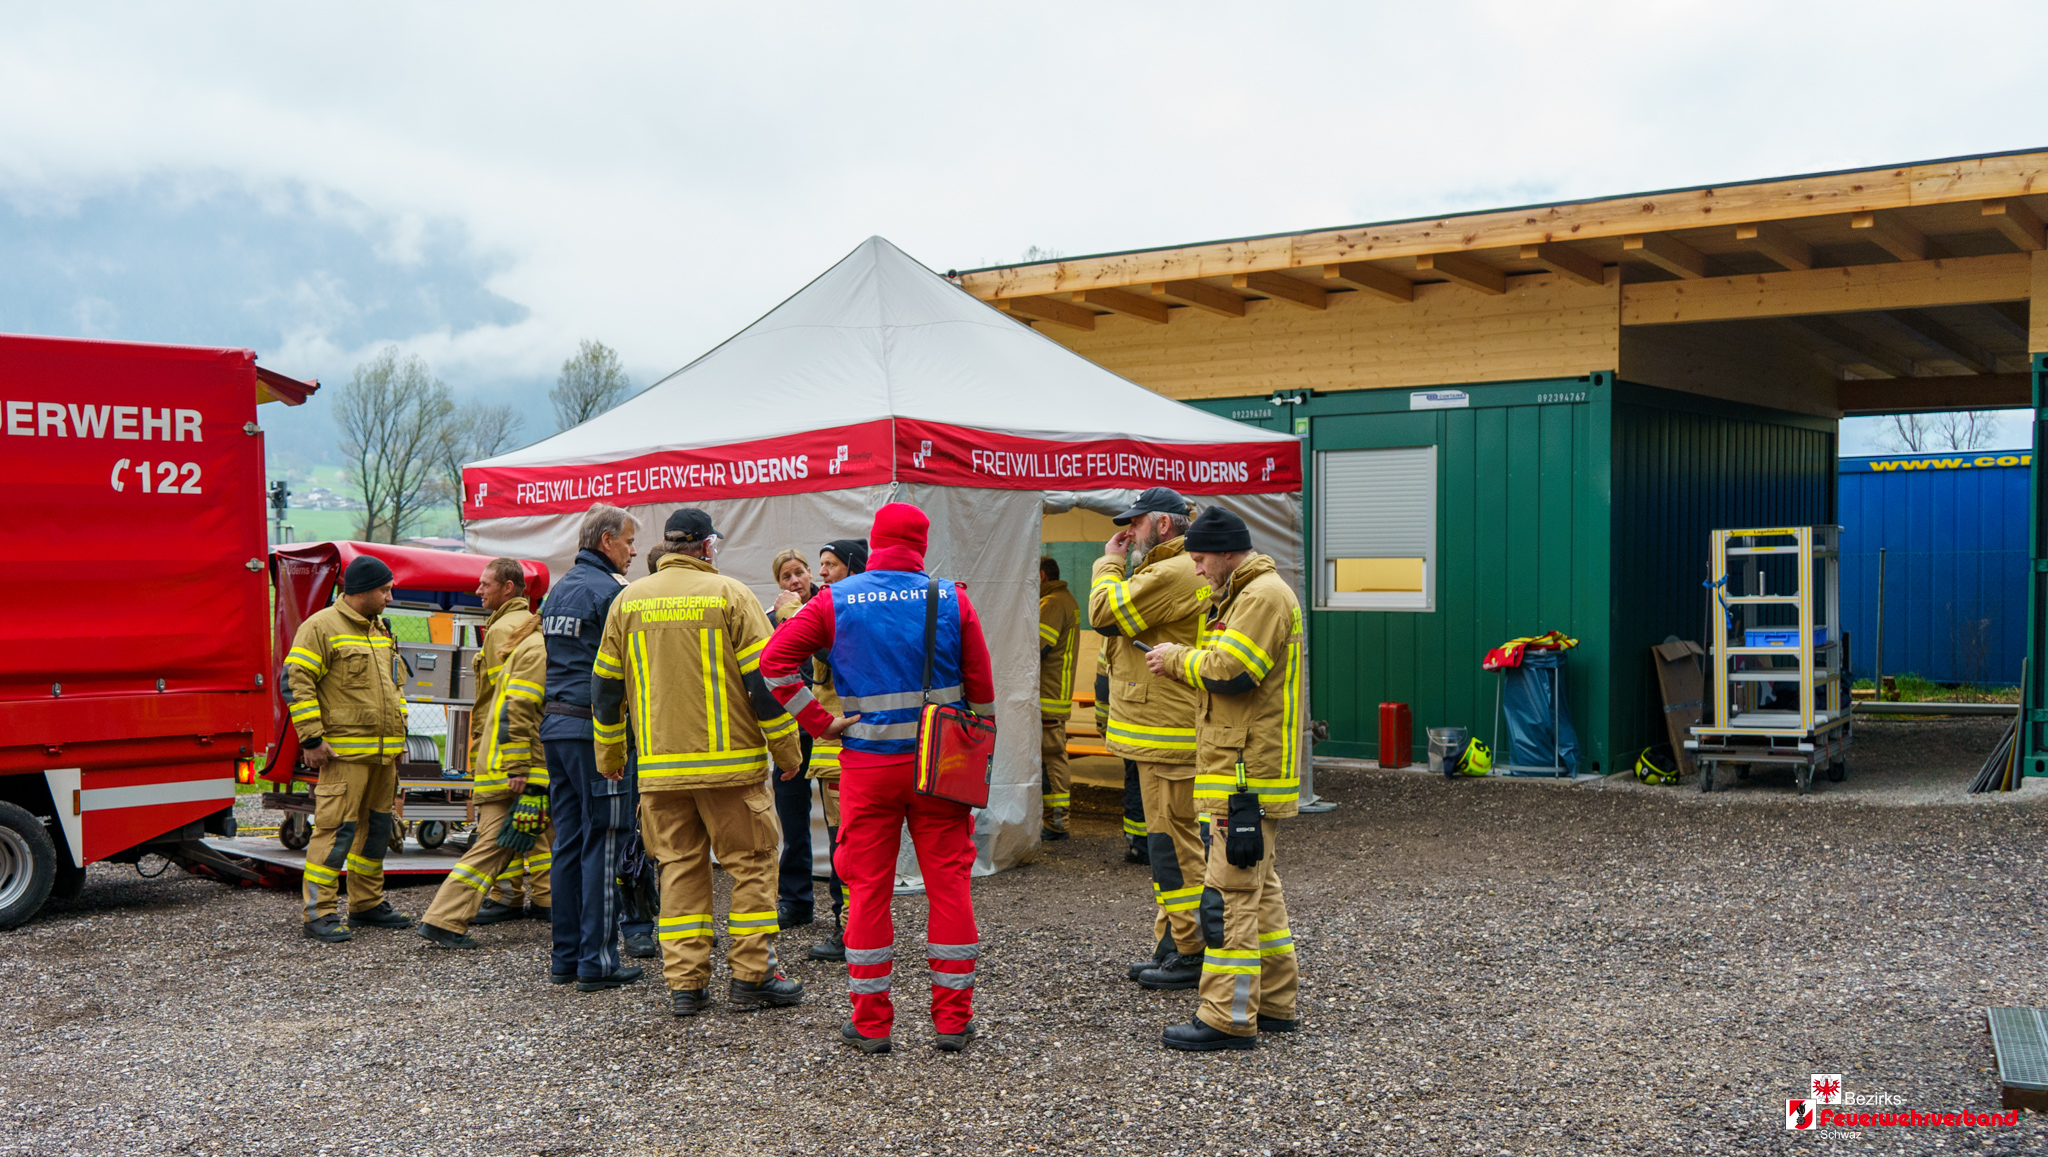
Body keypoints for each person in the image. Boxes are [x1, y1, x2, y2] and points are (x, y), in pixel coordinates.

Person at [762, 504, 993, 1055]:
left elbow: (774, 664)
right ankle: (952, 1021)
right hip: (940, 768)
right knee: (949, 886)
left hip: (867, 769)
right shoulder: (950, 597)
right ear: (921, 544)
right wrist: (977, 750)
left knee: (867, 890)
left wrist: (819, 721)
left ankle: (871, 1024)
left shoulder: (835, 599)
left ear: (876, 542)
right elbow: (982, 688)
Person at [593, 508, 808, 1018]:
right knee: (752, 866)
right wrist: (787, 750)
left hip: (661, 774)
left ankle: (685, 986)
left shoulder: (627, 601)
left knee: (679, 870)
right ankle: (752, 976)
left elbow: (604, 690)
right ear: (707, 546)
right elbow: (765, 685)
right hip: (731, 772)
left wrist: (610, 755)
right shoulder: (731, 595)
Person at [1140, 506, 1302, 1050]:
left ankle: (1227, 1018)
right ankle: (1274, 1003)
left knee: (1228, 900)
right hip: (1246, 775)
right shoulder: (1247, 594)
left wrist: (1176, 658)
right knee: (1261, 894)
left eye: (1202, 559)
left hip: (1242, 778)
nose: (1198, 569)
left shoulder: (1260, 597)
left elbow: (1232, 671)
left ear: (1228, 552)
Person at [1089, 486, 1210, 992]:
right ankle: (1172, 942)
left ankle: (1192, 949)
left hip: (1168, 736)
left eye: (1135, 523)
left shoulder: (1172, 572)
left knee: (1174, 846)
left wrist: (1107, 564)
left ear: (1163, 524)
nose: (1127, 532)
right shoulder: (1169, 567)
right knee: (1167, 843)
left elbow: (1104, 614)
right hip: (1159, 732)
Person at [539, 504, 650, 991]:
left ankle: (566, 957)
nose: (633, 552)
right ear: (607, 541)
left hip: (556, 729)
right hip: (594, 732)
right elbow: (626, 670)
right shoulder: (611, 593)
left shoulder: (559, 590)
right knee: (605, 842)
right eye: (628, 541)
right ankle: (598, 962)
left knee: (567, 843)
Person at [417, 570, 553, 951]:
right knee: (493, 846)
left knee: (505, 844)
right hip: (511, 770)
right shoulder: (540, 650)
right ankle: (442, 920)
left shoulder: (526, 642)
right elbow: (518, 711)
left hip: (501, 765)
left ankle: (447, 918)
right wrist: (521, 769)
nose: (477, 590)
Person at [283, 554, 414, 942]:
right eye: (385, 590)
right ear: (363, 591)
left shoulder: (380, 630)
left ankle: (366, 904)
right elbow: (295, 684)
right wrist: (311, 739)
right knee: (335, 831)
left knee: (376, 831)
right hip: (343, 756)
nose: (390, 597)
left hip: (382, 756)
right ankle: (319, 913)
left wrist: (399, 737)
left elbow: (394, 689)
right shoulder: (320, 627)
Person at [461, 559, 550, 926]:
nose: (478, 591)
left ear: (508, 588)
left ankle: (506, 896)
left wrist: (483, 745)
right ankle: (546, 897)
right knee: (535, 825)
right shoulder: (523, 624)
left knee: (504, 824)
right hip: (528, 743)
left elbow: (499, 701)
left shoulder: (501, 630)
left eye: (485, 585)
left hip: (504, 746)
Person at [799, 538, 865, 962]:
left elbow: (841, 657)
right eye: (820, 564)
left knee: (848, 846)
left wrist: (796, 621)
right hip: (840, 755)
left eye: (831, 564)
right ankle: (854, 926)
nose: (821, 572)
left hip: (842, 754)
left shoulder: (849, 611)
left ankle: (849, 932)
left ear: (853, 567)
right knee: (850, 845)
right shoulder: (840, 606)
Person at [766, 548, 820, 930]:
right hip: (791, 734)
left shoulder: (827, 608)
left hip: (830, 731)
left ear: (811, 573)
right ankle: (796, 901)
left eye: (799, 572)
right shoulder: (769, 619)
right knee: (792, 823)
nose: (794, 580)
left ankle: (843, 906)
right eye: (786, 576)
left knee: (839, 823)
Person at [1094, 644, 1149, 864]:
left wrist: (1102, 722)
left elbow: (1103, 684)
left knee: (1136, 783)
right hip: (1171, 727)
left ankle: (1139, 845)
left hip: (1130, 723)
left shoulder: (1113, 636)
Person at [1037, 557, 1080, 840]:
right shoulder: (1065, 599)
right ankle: (1054, 820)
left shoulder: (1052, 604)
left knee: (1050, 760)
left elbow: (1035, 648)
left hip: (1047, 697)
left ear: (1041, 576)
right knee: (1051, 757)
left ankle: (1056, 823)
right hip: (1054, 695)